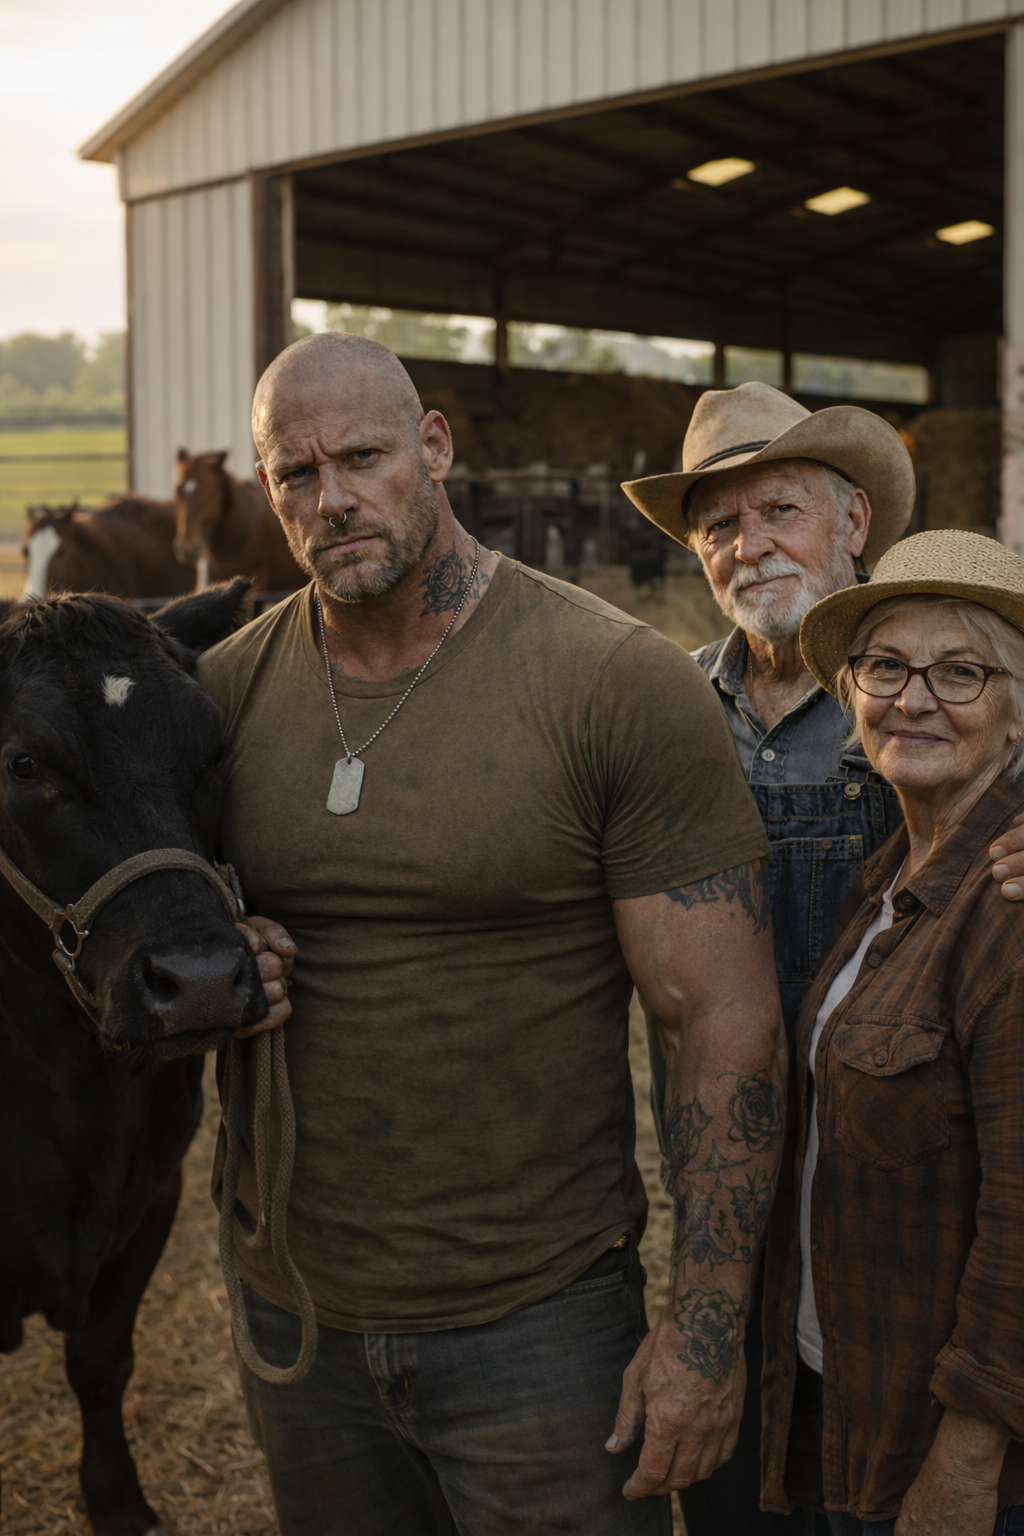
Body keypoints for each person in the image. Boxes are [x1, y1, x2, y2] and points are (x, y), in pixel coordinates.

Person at [197, 331, 786, 1536]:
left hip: (541, 1324)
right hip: (297, 1316)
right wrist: (219, 957)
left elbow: (718, 1021)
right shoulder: (219, 697)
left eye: (362, 457)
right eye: (296, 475)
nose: (331, 499)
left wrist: (704, 1330)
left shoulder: (612, 680)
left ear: (434, 446)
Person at [622, 380, 914, 1536]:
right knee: (742, 1491)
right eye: (718, 527)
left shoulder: (931, 693)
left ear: (854, 521)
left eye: (779, 511)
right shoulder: (663, 710)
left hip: (894, 1194)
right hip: (724, 1201)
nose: (749, 547)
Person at [760, 528, 1024, 1535]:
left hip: (956, 1452)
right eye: (885, 666)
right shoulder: (889, 873)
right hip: (856, 1396)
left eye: (960, 672)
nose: (913, 699)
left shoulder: (1007, 911)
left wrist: (967, 1461)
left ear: (1016, 712)